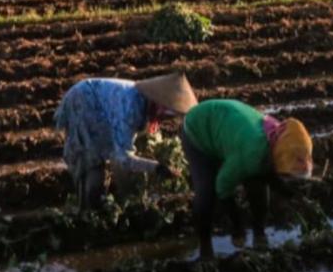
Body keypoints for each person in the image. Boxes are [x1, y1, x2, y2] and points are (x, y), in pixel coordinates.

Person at [181, 99, 314, 258]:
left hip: (229, 124)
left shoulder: (281, 140)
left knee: (257, 182)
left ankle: (259, 233)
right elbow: (223, 186)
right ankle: (205, 247)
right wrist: (238, 227)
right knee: (207, 192)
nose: (287, 176)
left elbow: (269, 175)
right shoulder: (252, 154)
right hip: (199, 128)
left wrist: (291, 195)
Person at [55, 72, 197, 211]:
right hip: (83, 102)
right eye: (168, 112)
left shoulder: (143, 102)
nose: (167, 118)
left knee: (97, 159)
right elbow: (124, 158)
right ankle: (88, 209)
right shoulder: (132, 107)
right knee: (92, 160)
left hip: (94, 103)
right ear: (160, 104)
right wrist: (157, 167)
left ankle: (90, 207)